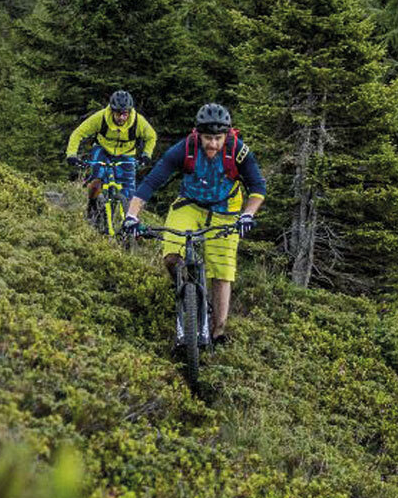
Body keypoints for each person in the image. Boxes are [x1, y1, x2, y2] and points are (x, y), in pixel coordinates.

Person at [123, 102, 266, 347]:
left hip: (227, 209)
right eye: (208, 138)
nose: (212, 144)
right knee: (171, 256)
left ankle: (218, 331)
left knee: (222, 271)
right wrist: (131, 216)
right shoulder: (185, 149)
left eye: (218, 138)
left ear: (227, 135)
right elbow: (150, 183)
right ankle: (186, 291)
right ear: (197, 134)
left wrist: (247, 215)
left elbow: (257, 187)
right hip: (190, 204)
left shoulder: (239, 151)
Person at [64, 89, 157, 219]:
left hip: (127, 154)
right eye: (118, 114)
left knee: (129, 191)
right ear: (112, 111)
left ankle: (130, 223)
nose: (122, 118)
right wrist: (71, 155)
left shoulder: (138, 122)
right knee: (97, 179)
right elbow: (78, 133)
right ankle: (92, 203)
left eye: (125, 114)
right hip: (103, 149)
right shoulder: (101, 117)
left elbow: (151, 136)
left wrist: (146, 155)